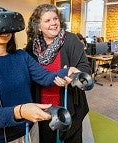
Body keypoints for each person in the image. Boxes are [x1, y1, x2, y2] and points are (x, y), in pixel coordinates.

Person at [0, 6, 80, 143]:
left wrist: (68, 71)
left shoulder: (21, 56)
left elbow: (45, 77)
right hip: (1, 138)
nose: (5, 31)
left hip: (30, 131)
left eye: (8, 26)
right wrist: (20, 111)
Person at [25, 4, 91, 143]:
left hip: (69, 104)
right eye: (47, 21)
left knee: (70, 139)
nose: (53, 23)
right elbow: (28, 75)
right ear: (38, 26)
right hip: (43, 106)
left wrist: (71, 78)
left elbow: (85, 68)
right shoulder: (31, 47)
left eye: (55, 19)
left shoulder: (71, 40)